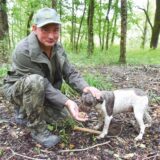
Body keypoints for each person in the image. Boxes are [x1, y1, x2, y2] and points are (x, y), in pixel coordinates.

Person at [3, 8, 101, 148]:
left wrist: (85, 87)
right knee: (35, 81)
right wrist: (67, 101)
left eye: (55, 30)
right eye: (45, 30)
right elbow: (42, 84)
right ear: (35, 29)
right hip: (18, 90)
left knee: (67, 120)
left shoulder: (58, 48)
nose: (51, 36)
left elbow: (70, 72)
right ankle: (35, 128)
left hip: (43, 91)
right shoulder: (23, 50)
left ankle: (26, 113)